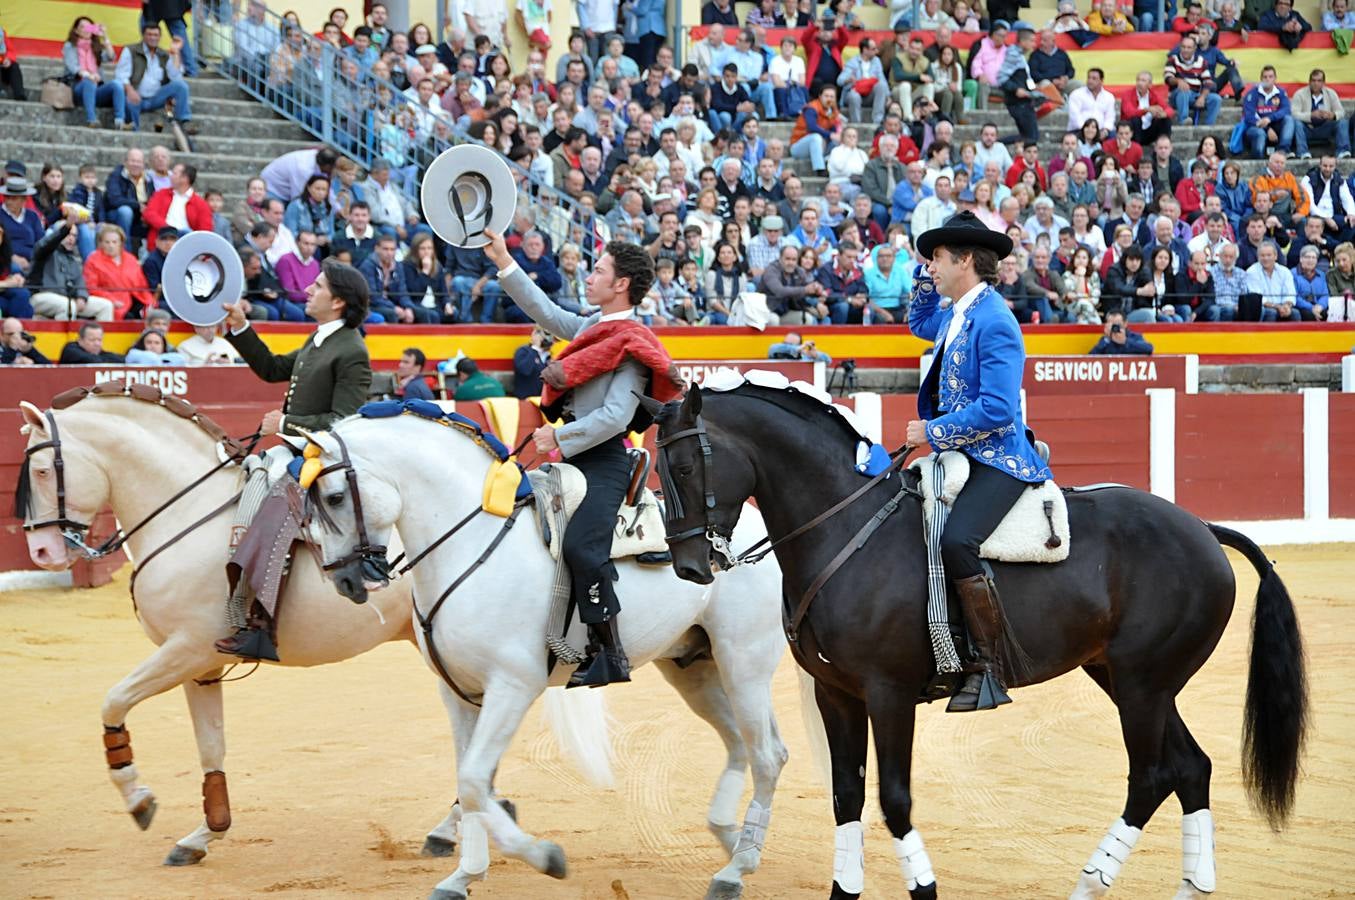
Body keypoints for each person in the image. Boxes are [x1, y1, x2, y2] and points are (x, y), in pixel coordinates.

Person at [482, 227, 681, 688]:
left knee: (580, 547)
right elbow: (547, 312)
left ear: (620, 285)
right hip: (571, 455)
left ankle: (610, 652)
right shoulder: (596, 327)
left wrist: (561, 437)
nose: (589, 277)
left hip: (602, 461)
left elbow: (615, 417)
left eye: (598, 271)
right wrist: (503, 261)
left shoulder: (634, 342)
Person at [907, 210, 1050, 713]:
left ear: (965, 260)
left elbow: (997, 407)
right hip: (961, 456)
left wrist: (934, 430)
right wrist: (922, 278)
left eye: (938, 260)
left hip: (1000, 459)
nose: (932, 268)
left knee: (957, 538)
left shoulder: (995, 319)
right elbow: (919, 323)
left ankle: (987, 667)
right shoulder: (959, 311)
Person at [215, 260, 373, 661]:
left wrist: (286, 422)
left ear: (337, 301)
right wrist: (240, 326)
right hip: (294, 447)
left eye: (317, 286)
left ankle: (261, 621)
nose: (307, 290)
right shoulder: (320, 338)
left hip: (317, 457)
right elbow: (271, 369)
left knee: (268, 509)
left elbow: (344, 423)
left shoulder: (352, 349)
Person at [114, 22, 197, 134]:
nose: (153, 38)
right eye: (149, 34)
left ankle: (185, 121)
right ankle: (134, 131)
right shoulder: (130, 50)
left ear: (159, 37)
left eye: (156, 35)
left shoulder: (163, 54)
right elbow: (121, 74)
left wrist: (175, 52)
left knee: (181, 86)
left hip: (156, 98)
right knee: (128, 101)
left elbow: (175, 76)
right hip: (136, 96)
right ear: (143, 35)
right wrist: (130, 90)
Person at [513, 325, 554, 398]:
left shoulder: (549, 357)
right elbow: (525, 370)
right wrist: (535, 348)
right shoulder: (524, 351)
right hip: (525, 400)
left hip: (542, 400)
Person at [59, 321, 125, 364]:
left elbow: (120, 359)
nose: (97, 344)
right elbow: (93, 360)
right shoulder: (70, 350)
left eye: (99, 340)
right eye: (92, 340)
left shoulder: (99, 354)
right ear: (80, 340)